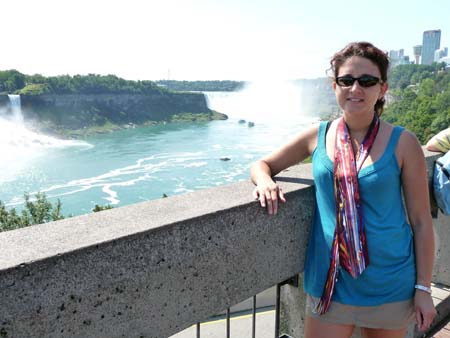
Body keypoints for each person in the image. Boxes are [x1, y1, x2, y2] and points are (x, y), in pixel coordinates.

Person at [250, 42, 436, 338]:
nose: (355, 89)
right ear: (334, 85)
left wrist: (423, 289)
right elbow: (262, 164)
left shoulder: (403, 143)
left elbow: (422, 222)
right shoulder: (317, 135)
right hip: (331, 281)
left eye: (367, 81)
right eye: (346, 80)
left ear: (382, 88)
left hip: (389, 281)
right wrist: (264, 181)